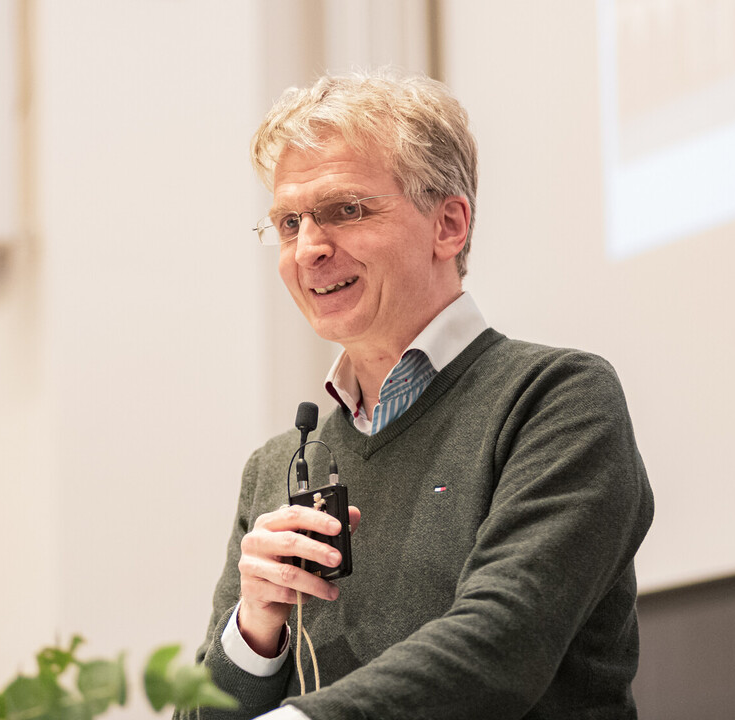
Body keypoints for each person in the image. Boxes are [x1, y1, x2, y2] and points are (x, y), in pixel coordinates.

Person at [179, 69, 654, 720]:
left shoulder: (555, 400)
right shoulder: (278, 465)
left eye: (346, 210)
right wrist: (255, 633)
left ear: (449, 225)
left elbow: (501, 648)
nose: (310, 249)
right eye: (288, 222)